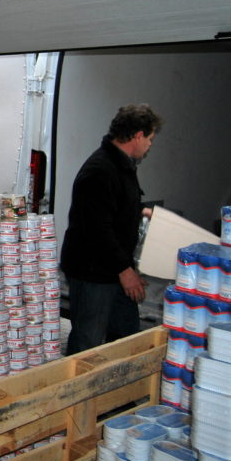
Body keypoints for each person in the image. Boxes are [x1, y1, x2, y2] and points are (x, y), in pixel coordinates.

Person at [61, 103, 163, 354]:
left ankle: (119, 379)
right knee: (88, 341)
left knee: (127, 335)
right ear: (137, 136)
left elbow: (113, 205)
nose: (150, 145)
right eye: (150, 139)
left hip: (113, 269)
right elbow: (97, 229)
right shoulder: (100, 170)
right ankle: (80, 380)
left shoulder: (122, 165)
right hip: (93, 272)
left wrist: (141, 211)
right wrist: (125, 271)